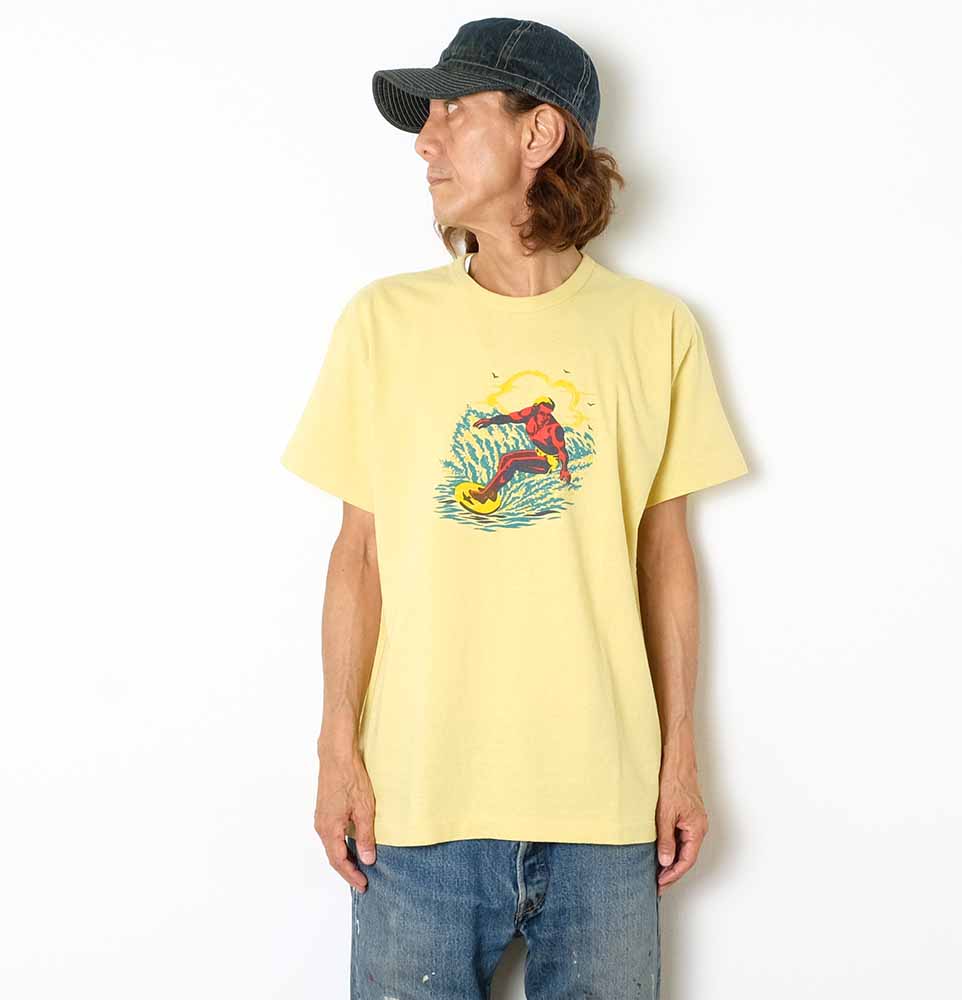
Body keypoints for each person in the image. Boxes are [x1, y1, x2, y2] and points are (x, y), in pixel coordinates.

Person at [281, 16, 748, 999]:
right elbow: (357, 555)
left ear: (539, 134)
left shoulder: (654, 330)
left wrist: (680, 759)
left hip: (606, 808)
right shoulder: (382, 322)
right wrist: (335, 751)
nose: (425, 140)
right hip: (416, 806)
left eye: (454, 110)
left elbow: (665, 556)